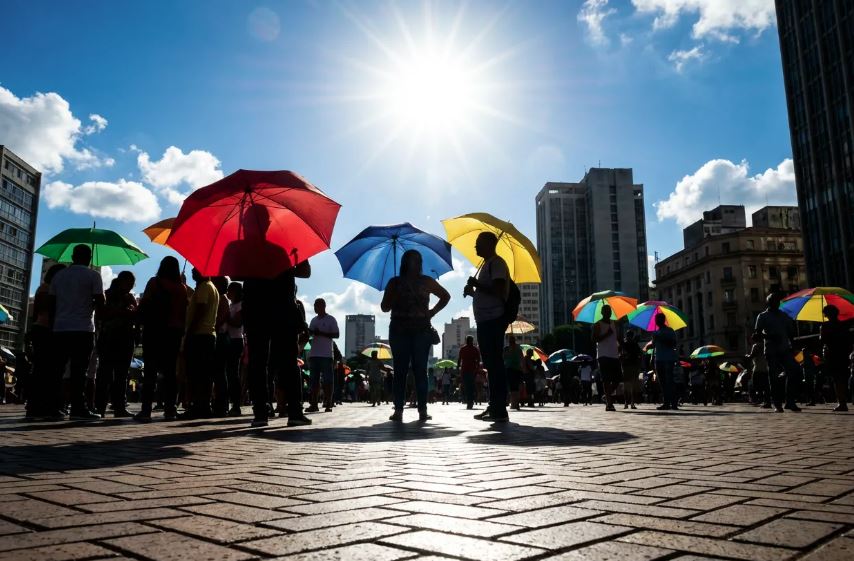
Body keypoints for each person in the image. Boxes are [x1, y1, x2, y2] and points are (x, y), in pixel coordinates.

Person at [381, 249, 450, 422]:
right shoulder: (394, 282)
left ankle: (422, 410)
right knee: (400, 371)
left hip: (421, 331)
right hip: (398, 330)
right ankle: (398, 409)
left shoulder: (426, 281)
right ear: (405, 262)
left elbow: (445, 296)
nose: (417, 263)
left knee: (420, 370)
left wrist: (432, 312)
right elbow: (384, 307)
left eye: (419, 260)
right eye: (413, 260)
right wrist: (393, 295)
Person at [243, 260, 313, 428]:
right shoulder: (287, 241)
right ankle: (295, 412)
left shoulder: (243, 244)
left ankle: (260, 412)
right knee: (288, 361)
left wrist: (258, 268)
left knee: (257, 362)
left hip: (255, 307)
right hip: (282, 307)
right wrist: (283, 267)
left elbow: (234, 274)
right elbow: (305, 271)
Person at [49, 245, 105, 420]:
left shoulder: (59, 276)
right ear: (89, 257)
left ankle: (54, 407)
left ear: (73, 256)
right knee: (79, 371)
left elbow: (52, 303)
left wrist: (54, 325)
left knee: (57, 369)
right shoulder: (93, 276)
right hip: (83, 328)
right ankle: (78, 408)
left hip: (60, 328)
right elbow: (100, 302)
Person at [465, 232, 511, 423]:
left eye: (478, 243)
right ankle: (494, 406)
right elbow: (488, 290)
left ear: (490, 244)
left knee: (494, 365)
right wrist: (473, 292)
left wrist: (476, 284)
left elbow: (498, 290)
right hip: (485, 321)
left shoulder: (497, 263)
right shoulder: (487, 264)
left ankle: (499, 408)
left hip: (493, 320)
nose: (475, 247)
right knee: (491, 365)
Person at [136, 257, 188, 422]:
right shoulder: (182, 288)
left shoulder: (154, 282)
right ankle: (170, 409)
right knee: (170, 372)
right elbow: (183, 314)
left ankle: (145, 411)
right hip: (173, 333)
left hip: (153, 331)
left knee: (150, 371)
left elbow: (144, 304)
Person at [26, 263, 66, 420]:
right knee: (46, 371)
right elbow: (44, 310)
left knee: (45, 370)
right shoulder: (46, 288)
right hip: (46, 330)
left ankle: (39, 407)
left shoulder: (45, 288)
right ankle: (40, 407)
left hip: (42, 330)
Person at [94, 271, 137, 418]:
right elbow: (101, 314)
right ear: (121, 281)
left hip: (122, 338)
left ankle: (116, 406)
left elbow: (136, 316)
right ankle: (101, 406)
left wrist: (133, 307)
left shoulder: (129, 298)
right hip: (112, 338)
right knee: (107, 374)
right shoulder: (107, 295)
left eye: (132, 284)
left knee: (120, 374)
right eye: (129, 283)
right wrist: (124, 311)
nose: (131, 286)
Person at [178, 268, 219, 419]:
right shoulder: (211, 287)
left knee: (195, 373)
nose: (193, 272)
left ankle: (197, 406)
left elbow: (200, 310)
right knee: (205, 374)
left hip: (199, 335)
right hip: (208, 335)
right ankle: (204, 405)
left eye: (195, 270)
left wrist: (189, 333)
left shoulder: (203, 287)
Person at [755, 293, 801, 412]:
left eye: (777, 301)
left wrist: (793, 346)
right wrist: (768, 336)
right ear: (769, 303)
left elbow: (791, 333)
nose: (776, 303)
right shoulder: (762, 316)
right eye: (773, 301)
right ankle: (777, 404)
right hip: (771, 350)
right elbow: (757, 334)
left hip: (785, 349)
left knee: (793, 372)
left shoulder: (784, 316)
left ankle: (790, 401)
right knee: (773, 377)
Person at [307, 298, 339, 413]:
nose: (315, 308)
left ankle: (329, 403)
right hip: (314, 354)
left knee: (328, 381)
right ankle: (314, 404)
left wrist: (321, 333)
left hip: (326, 355)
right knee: (313, 381)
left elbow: (337, 334)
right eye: (314, 306)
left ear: (323, 306)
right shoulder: (313, 320)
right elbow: (310, 333)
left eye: (317, 305)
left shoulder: (331, 319)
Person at [820, 304, 851, 412]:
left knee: (837, 379)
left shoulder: (825, 326)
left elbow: (823, 340)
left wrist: (822, 332)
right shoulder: (843, 325)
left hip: (832, 355)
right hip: (842, 354)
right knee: (842, 378)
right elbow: (848, 340)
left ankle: (842, 403)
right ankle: (843, 401)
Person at [592, 305, 620, 412]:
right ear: (602, 312)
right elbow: (594, 339)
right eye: (606, 311)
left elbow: (617, 338)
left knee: (617, 379)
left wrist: (621, 349)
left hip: (614, 354)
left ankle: (606, 395)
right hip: (603, 355)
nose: (608, 312)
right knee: (606, 380)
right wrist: (607, 334)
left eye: (609, 311)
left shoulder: (614, 323)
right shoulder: (597, 324)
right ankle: (609, 403)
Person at [224, 282, 245, 415]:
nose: (227, 292)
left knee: (233, 374)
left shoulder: (240, 305)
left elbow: (238, 323)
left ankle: (236, 405)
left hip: (236, 340)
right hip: (229, 340)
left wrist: (226, 318)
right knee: (229, 373)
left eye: (230, 290)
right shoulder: (231, 305)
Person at [211, 276, 231, 416]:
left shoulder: (222, 298)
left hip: (221, 337)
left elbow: (220, 319)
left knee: (219, 372)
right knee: (218, 372)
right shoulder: (222, 298)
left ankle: (221, 404)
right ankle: (220, 403)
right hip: (222, 337)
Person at [651, 313, 678, 410]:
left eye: (657, 320)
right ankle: (666, 402)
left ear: (662, 320)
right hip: (658, 359)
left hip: (668, 359)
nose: (656, 322)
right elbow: (654, 346)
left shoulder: (670, 331)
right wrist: (653, 340)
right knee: (662, 382)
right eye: (656, 320)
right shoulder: (656, 332)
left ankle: (674, 403)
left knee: (669, 381)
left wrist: (661, 339)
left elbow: (673, 343)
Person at [748, 332, 771, 408]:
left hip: (757, 368)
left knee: (755, 385)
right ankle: (767, 401)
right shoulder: (765, 345)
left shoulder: (756, 346)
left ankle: (760, 399)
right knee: (766, 386)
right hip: (765, 368)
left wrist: (747, 356)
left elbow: (752, 355)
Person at [458, 335, 481, 410]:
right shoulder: (475, 349)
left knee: (468, 386)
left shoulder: (463, 349)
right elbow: (478, 360)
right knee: (470, 386)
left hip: (467, 370)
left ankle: (470, 401)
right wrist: (477, 368)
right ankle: (470, 400)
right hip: (470, 370)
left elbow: (459, 359)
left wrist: (458, 367)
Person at [620, 331, 641, 409]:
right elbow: (640, 355)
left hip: (629, 366)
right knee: (630, 385)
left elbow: (639, 355)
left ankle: (629, 402)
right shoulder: (632, 344)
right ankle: (629, 402)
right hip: (629, 366)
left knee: (630, 385)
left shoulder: (629, 344)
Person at [502, 335, 523, 411]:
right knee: (515, 387)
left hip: (511, 369)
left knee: (512, 387)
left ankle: (514, 404)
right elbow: (521, 359)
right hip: (516, 369)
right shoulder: (518, 349)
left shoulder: (507, 349)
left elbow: (503, 358)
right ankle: (515, 403)